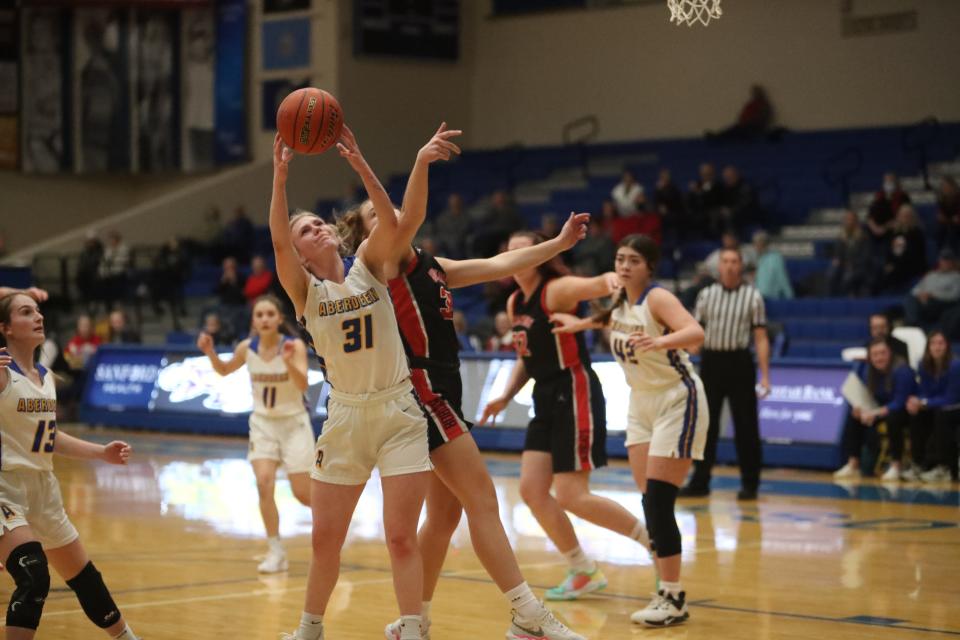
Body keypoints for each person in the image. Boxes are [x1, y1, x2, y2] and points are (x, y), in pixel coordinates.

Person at [336, 123, 588, 640]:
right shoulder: (380, 264)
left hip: (440, 393)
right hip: (420, 394)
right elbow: (407, 215)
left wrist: (557, 244)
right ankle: (527, 615)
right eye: (374, 215)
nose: (387, 217)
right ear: (370, 234)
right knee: (482, 501)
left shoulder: (432, 266)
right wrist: (420, 163)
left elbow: (500, 263)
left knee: (445, 518)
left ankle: (416, 621)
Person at [271, 127, 433, 640]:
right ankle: (309, 629)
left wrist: (362, 163)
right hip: (344, 417)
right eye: (305, 231)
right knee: (325, 539)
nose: (316, 229)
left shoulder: (368, 264)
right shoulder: (304, 291)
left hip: (398, 413)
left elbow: (395, 221)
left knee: (402, 537)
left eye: (319, 222)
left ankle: (413, 628)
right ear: (297, 254)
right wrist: (279, 179)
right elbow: (276, 238)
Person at [479, 231, 650, 602]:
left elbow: (593, 285)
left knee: (572, 495)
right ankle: (582, 569)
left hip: (573, 388)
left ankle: (656, 543)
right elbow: (525, 358)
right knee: (532, 490)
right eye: (510, 252)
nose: (517, 258)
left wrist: (610, 280)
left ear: (541, 256)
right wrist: (504, 397)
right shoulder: (514, 303)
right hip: (544, 394)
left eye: (525, 252)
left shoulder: (555, 290)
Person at [550, 234, 707, 627]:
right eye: (620, 259)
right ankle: (664, 580)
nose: (624, 266)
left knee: (658, 502)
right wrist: (580, 324)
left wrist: (659, 341)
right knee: (647, 501)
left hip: (677, 397)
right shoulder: (621, 297)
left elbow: (696, 334)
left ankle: (673, 596)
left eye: (633, 260)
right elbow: (612, 319)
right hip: (640, 403)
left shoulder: (658, 298)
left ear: (649, 266)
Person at [0, 291, 140, 640]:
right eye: (26, 312)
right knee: (34, 574)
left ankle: (127, 637)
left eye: (38, 311)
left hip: (43, 489)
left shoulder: (44, 377)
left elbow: (47, 436)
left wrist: (100, 453)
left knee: (85, 577)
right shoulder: (2, 373)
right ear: (5, 328)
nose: (38, 317)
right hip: (5, 488)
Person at [197, 295, 313, 573]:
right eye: (259, 314)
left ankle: (332, 533)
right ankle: (275, 550)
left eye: (269, 314)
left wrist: (287, 363)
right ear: (253, 320)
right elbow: (224, 371)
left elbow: (302, 384)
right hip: (262, 423)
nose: (264, 319)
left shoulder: (293, 345)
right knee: (263, 482)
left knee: (303, 495)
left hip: (294, 423)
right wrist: (211, 352)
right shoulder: (247, 347)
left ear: (279, 319)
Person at [681, 247, 769, 500]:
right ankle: (700, 481)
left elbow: (761, 339)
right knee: (705, 425)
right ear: (718, 266)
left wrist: (765, 376)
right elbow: (696, 333)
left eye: (734, 261)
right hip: (711, 362)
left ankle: (750, 484)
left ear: (741, 266)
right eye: (725, 262)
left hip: (740, 362)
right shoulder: (706, 295)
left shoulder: (753, 297)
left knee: (746, 427)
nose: (730, 266)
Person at [833, 339, 914, 481]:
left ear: (890, 354)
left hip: (906, 412)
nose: (879, 358)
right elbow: (866, 397)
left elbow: (899, 402)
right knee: (854, 417)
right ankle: (853, 464)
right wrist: (860, 409)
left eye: (883, 353)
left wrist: (874, 413)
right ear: (870, 357)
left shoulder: (903, 370)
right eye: (875, 354)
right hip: (879, 409)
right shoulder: (868, 371)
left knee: (893, 419)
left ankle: (896, 466)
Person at [905, 331, 960, 482]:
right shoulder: (923, 365)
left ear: (947, 346)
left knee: (942, 416)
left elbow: (951, 398)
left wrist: (925, 403)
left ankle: (944, 468)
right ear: (928, 346)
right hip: (937, 406)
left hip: (955, 407)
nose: (937, 347)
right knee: (916, 414)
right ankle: (919, 464)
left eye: (941, 343)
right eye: (933, 343)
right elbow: (923, 392)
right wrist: (917, 401)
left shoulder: (956, 366)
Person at [903, 249, 960, 330]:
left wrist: (932, 295)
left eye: (948, 260)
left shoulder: (956, 277)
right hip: (922, 300)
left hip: (940, 303)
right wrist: (921, 295)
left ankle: (915, 326)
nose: (945, 263)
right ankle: (913, 324)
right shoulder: (931, 275)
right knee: (909, 298)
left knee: (930, 303)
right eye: (943, 260)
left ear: (953, 262)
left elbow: (954, 296)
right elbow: (915, 289)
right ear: (940, 261)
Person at [880, 204, 927, 294]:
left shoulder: (917, 233)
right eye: (902, 215)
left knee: (894, 272)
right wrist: (888, 264)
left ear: (912, 217)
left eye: (907, 215)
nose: (904, 218)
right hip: (896, 264)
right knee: (880, 270)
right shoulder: (894, 233)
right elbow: (889, 252)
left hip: (912, 264)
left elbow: (916, 255)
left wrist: (895, 264)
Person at [828, 211, 872, 297]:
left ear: (856, 221)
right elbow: (837, 254)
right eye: (846, 220)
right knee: (831, 273)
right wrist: (837, 259)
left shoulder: (863, 237)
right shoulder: (841, 236)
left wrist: (853, 264)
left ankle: (851, 295)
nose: (848, 222)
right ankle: (832, 298)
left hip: (858, 266)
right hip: (843, 265)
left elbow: (865, 256)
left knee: (848, 277)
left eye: (851, 219)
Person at [752, 231, 793, 300]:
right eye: (755, 243)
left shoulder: (775, 258)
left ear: (765, 244)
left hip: (771, 298)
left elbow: (782, 278)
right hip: (758, 298)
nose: (756, 246)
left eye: (759, 243)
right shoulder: (757, 259)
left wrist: (790, 297)